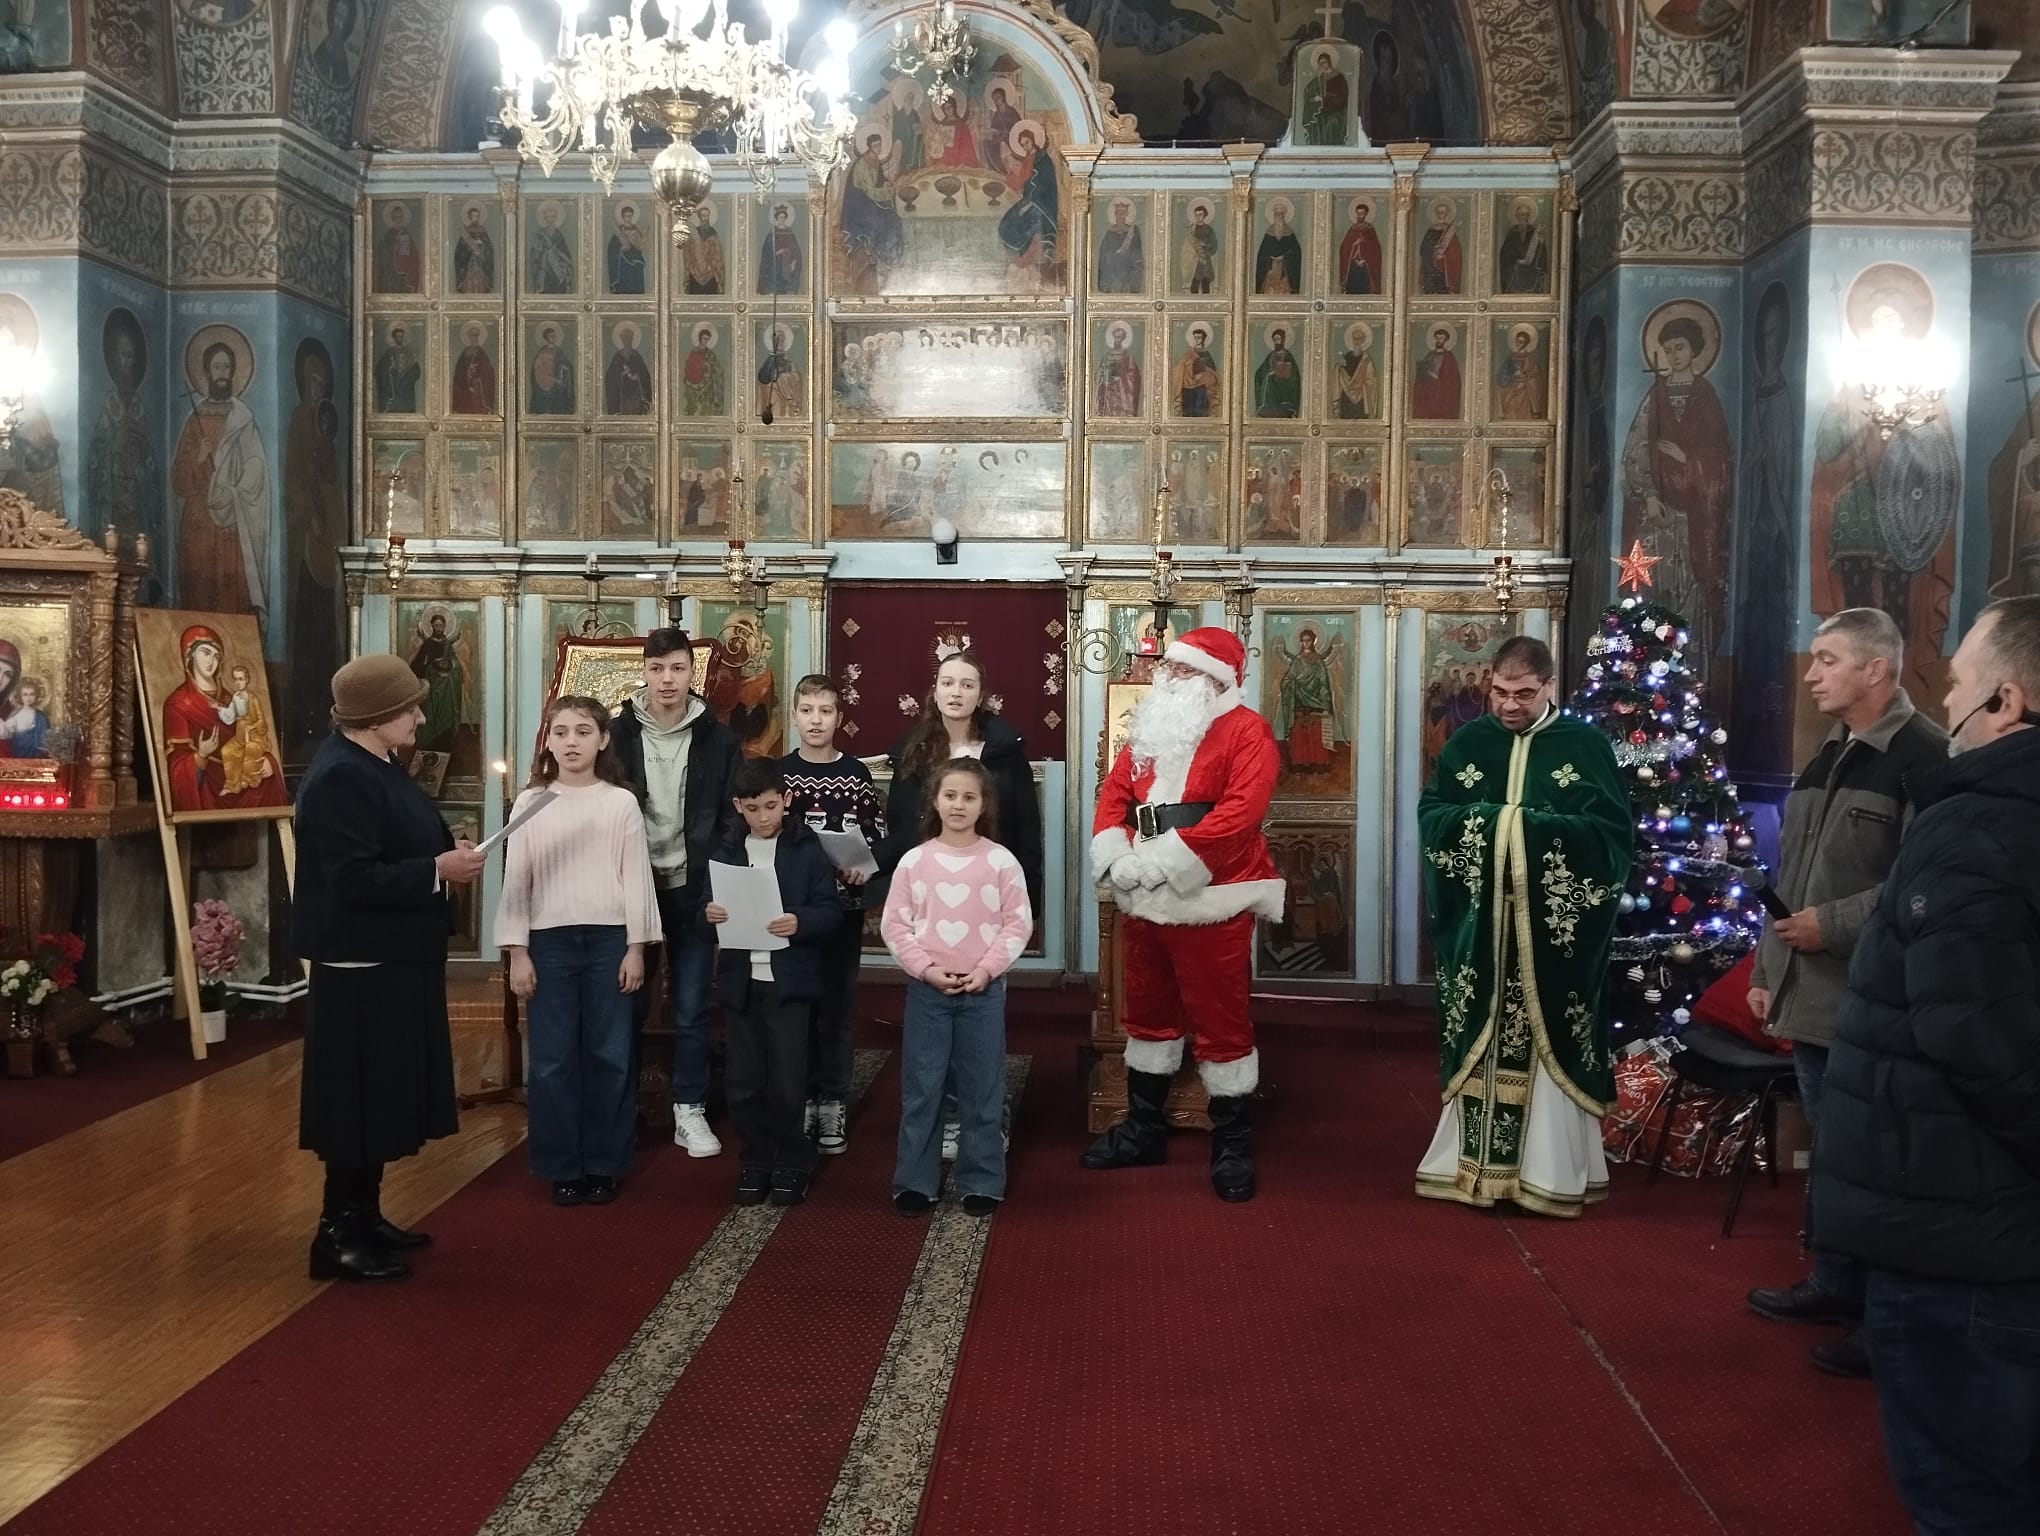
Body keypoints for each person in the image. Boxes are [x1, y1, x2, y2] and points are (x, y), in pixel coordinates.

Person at [1816, 595, 2040, 1532]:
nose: (1946, 701)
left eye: (1957, 684)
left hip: (1962, 1222)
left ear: (2007, 703)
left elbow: (1980, 1039)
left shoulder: (1978, 825)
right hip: (1986, 1216)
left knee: (1969, 1489)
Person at [1744, 609, 1947, 1377]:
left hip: (1875, 1001)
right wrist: (1767, 973)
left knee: (1873, 1161)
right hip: (1811, 997)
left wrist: (1830, 925)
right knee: (1834, 1153)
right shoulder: (1828, 753)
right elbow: (1787, 881)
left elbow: (1923, 884)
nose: (1810, 673)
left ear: (1876, 669)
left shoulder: (1925, 755)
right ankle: (1835, 1280)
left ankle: (1878, 1314)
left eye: (1827, 659)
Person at [1415, 635, 1629, 1216]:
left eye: (1525, 694)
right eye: (1501, 693)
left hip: (1552, 938)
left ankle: (1548, 1172)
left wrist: (1519, 829)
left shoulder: (1584, 746)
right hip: (1481, 932)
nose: (1510, 705)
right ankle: (1471, 1167)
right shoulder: (1468, 743)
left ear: (1550, 686)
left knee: (1549, 1037)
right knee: (1479, 1034)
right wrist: (1499, 825)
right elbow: (1434, 815)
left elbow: (1611, 838)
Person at [293, 654, 488, 1282]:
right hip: (361, 964)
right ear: (376, 716)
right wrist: (437, 870)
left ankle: (364, 1214)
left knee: (378, 1095)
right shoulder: (340, 778)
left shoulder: (374, 762)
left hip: (391, 957)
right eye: (409, 708)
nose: (420, 718)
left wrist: (444, 853)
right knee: (356, 1100)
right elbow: (351, 879)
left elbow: (392, 842)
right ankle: (335, 1234)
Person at [1084, 627, 1283, 1201]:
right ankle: (1143, 1130)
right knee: (1147, 1013)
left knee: (1222, 1021)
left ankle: (1232, 1144)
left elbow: (1239, 815)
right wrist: (1118, 855)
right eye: (1169, 668)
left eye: (1184, 669)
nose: (1169, 677)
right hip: (1143, 894)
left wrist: (1165, 863)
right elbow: (1114, 793)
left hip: (1212, 897)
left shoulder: (1247, 731)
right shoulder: (1152, 727)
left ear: (1216, 679)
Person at [878, 649, 1042, 1161]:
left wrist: (1029, 899)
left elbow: (1025, 828)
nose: (956, 692)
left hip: (988, 904)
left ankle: (989, 1119)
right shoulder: (913, 751)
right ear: (935, 690)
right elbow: (900, 827)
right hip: (931, 904)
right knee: (931, 1035)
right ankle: (946, 1118)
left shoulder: (1005, 750)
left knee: (982, 1031)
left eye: (967, 684)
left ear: (981, 694)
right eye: (947, 682)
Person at [499, 697, 662, 1208]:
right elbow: (516, 879)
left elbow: (636, 878)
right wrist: (517, 951)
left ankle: (604, 1163)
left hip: (609, 940)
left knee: (610, 1055)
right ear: (548, 740)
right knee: (552, 1060)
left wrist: (636, 948)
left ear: (603, 739)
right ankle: (562, 1164)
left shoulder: (620, 802)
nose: (572, 742)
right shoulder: (531, 803)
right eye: (562, 732)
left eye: (583, 732)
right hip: (548, 943)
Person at [605, 628, 742, 1157]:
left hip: (693, 887)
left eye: (678, 668)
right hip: (633, 887)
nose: (667, 679)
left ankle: (689, 1107)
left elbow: (731, 816)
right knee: (627, 1002)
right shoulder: (616, 734)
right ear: (644, 671)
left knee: (691, 1005)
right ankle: (621, 1108)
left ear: (692, 672)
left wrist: (715, 877)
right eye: (657, 668)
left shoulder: (718, 739)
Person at [882, 758, 1033, 1216]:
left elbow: (1017, 924)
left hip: (983, 993)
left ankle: (981, 1178)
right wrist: (925, 969)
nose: (959, 805)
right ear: (934, 801)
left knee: (983, 1086)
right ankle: (915, 1180)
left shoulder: (1001, 862)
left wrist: (986, 970)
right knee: (923, 1087)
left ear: (984, 804)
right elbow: (895, 926)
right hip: (928, 992)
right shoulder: (915, 862)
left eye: (969, 797)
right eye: (950, 795)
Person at [704, 759, 841, 1208]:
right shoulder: (726, 850)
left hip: (789, 984)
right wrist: (709, 914)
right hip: (741, 984)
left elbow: (830, 911)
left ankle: (792, 1160)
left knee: (787, 1079)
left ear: (786, 800)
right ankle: (756, 1158)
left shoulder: (805, 848)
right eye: (753, 809)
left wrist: (800, 921)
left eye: (770, 806)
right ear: (737, 806)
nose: (763, 818)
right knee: (743, 1081)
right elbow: (703, 907)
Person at [780, 675, 886, 1158]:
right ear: (794, 716)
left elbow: (874, 834)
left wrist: (865, 867)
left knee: (838, 1008)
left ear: (839, 718)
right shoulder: (781, 774)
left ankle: (833, 1100)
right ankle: (803, 1098)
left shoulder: (855, 774)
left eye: (825, 711)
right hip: (795, 912)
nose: (816, 720)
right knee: (799, 1006)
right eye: (807, 710)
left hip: (843, 907)